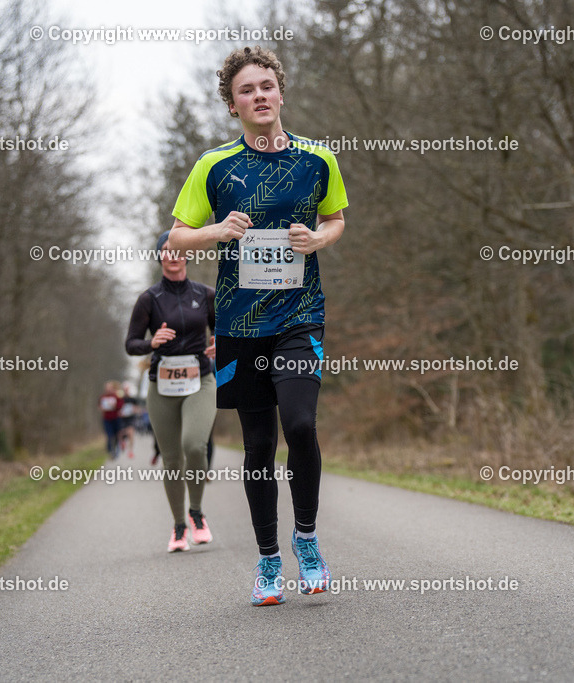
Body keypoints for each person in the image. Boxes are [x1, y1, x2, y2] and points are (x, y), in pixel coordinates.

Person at [168, 46, 348, 605]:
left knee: (300, 424)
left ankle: (306, 539)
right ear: (233, 105)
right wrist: (217, 230)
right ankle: (269, 560)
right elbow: (176, 238)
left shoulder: (318, 159)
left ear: (281, 93)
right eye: (246, 90)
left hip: (300, 314)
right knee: (259, 444)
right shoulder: (213, 165)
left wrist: (319, 239)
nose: (259, 96)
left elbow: (336, 219)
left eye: (266, 86)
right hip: (240, 324)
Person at [126, 230, 218, 552]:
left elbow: (224, 330)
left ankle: (197, 514)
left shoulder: (205, 294)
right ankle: (179, 527)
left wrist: (221, 344)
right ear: (159, 256)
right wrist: (152, 343)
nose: (173, 254)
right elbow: (131, 344)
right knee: (171, 458)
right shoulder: (149, 299)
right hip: (162, 385)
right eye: (166, 250)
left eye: (178, 248)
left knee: (194, 445)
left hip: (200, 380)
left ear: (187, 253)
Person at [98, 381, 123, 458]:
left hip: (116, 418)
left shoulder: (117, 396)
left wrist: (114, 405)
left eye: (110, 387)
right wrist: (101, 408)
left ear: (113, 388)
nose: (108, 389)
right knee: (109, 435)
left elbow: (121, 406)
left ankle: (116, 448)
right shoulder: (103, 397)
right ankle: (110, 450)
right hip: (107, 419)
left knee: (116, 435)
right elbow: (99, 406)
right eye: (107, 387)